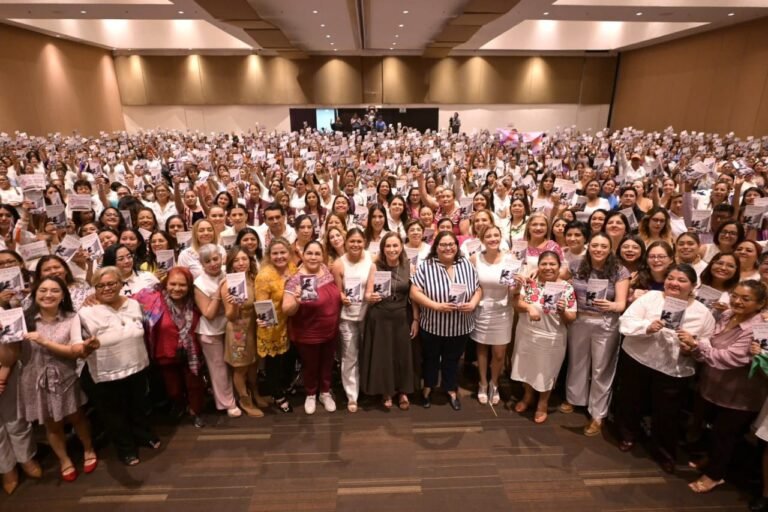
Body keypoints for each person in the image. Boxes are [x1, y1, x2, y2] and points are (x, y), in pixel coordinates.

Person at [616, 264, 716, 473]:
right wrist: (647, 327)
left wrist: (692, 346)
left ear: (693, 286)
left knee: (667, 412)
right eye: (671, 278)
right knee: (630, 400)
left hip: (673, 368)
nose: (674, 283)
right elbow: (625, 321)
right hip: (638, 358)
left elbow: (707, 345)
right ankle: (628, 434)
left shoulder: (702, 312)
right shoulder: (651, 297)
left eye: (681, 280)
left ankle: (663, 451)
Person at [681, 280, 768, 493]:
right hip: (713, 386)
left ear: (760, 304)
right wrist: (699, 346)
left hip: (740, 395)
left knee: (725, 436)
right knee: (712, 430)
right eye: (735, 295)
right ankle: (711, 460)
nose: (737, 301)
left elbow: (730, 358)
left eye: (745, 299)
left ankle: (714, 475)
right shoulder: (728, 314)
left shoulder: (760, 327)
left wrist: (698, 345)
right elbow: (710, 342)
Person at [19, 277, 99, 481]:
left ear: (63, 295)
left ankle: (88, 449)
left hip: (64, 376)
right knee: (51, 424)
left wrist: (44, 341)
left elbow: (74, 351)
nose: (48, 295)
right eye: (43, 290)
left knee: (77, 417)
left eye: (54, 290)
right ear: (35, 294)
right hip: (34, 378)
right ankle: (64, 459)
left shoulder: (71, 317)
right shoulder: (24, 320)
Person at [79, 267, 160, 466]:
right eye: (101, 285)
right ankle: (126, 449)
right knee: (113, 414)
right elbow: (78, 344)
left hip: (137, 365)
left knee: (138, 406)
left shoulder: (133, 304)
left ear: (121, 284)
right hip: (106, 373)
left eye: (112, 283)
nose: (107, 288)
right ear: (94, 288)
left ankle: (142, 434)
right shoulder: (85, 312)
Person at [561, 233, 630, 435]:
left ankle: (598, 415)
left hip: (605, 322)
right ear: (589, 246)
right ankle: (575, 398)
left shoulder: (619, 270)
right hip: (580, 320)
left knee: (601, 369)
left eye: (603, 246)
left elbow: (621, 303)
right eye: (595, 245)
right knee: (577, 361)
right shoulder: (576, 265)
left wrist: (611, 305)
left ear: (610, 249)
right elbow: (557, 278)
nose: (598, 249)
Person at [410, 230, 482, 411]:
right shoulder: (427, 265)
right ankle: (428, 387)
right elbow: (414, 292)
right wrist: (435, 306)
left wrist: (473, 303)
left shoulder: (465, 263)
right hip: (433, 324)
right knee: (431, 358)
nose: (448, 248)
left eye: (452, 244)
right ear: (436, 247)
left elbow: (478, 289)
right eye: (443, 244)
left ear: (457, 247)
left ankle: (451, 388)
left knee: (452, 359)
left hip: (460, 325)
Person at [135, 267, 206, 427]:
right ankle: (180, 404)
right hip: (165, 353)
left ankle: (195, 411)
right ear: (165, 284)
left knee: (195, 386)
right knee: (173, 389)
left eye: (182, 285)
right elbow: (125, 299)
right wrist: (93, 298)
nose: (177, 289)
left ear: (189, 287)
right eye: (172, 284)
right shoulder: (152, 299)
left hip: (192, 354)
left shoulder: (195, 302)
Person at [511, 251, 577, 422]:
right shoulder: (530, 283)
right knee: (525, 367)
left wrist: (562, 311)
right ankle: (527, 396)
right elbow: (516, 304)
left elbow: (571, 319)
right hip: (526, 333)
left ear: (559, 266)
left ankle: (542, 403)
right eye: (544, 264)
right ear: (538, 266)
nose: (548, 267)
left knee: (546, 372)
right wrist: (528, 307)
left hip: (552, 337)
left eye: (552, 264)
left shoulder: (567, 288)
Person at [283, 241, 342, 415]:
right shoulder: (295, 279)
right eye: (310, 253)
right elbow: (287, 309)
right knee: (310, 365)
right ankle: (310, 394)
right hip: (308, 332)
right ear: (303, 255)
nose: (313, 257)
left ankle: (324, 392)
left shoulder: (326, 270)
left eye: (317, 253)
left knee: (327, 363)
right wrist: (296, 300)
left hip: (330, 330)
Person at [360, 232, 416, 410]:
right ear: (383, 249)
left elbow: (414, 296)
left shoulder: (410, 266)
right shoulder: (376, 266)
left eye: (395, 245)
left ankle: (403, 391)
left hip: (401, 316)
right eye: (388, 246)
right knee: (384, 356)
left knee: (402, 355)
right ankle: (386, 391)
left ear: (401, 247)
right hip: (380, 315)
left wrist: (416, 318)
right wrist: (372, 296)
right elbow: (367, 294)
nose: (392, 249)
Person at [194, 244, 241, 418]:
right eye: (208, 261)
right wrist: (219, 292)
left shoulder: (228, 273)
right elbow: (209, 314)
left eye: (215, 259)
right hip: (211, 332)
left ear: (221, 258)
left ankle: (237, 396)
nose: (213, 263)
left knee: (234, 365)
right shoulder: (199, 283)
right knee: (219, 369)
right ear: (202, 264)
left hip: (231, 327)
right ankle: (227, 404)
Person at [470, 225, 514, 406]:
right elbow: (471, 284)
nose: (493, 239)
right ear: (482, 239)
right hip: (482, 309)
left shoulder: (510, 259)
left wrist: (517, 286)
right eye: (488, 236)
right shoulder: (475, 259)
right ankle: (482, 382)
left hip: (503, 310)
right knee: (482, 349)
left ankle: (494, 382)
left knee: (498, 353)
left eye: (496, 235)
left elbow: (512, 288)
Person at [255, 238, 298, 414]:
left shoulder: (293, 269)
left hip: (290, 323)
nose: (279, 256)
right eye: (275, 253)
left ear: (289, 253)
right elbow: (262, 304)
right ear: (269, 255)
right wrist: (263, 319)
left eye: (283, 252)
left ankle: (284, 385)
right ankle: (277, 394)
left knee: (287, 359)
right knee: (273, 363)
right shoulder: (264, 276)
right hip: (272, 325)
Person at [331, 229, 372, 412]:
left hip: (367, 315)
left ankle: (368, 388)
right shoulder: (339, 264)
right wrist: (342, 297)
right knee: (349, 356)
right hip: (347, 316)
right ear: (346, 242)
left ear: (364, 241)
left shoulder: (371, 259)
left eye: (359, 241)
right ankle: (351, 395)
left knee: (368, 353)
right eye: (352, 241)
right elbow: (337, 292)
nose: (355, 245)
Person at [221, 246, 263, 417]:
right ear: (231, 263)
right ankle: (245, 400)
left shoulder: (253, 279)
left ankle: (255, 394)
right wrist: (234, 304)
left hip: (254, 328)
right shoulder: (227, 284)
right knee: (240, 368)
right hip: (238, 331)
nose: (241, 263)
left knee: (253, 364)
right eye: (236, 260)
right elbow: (229, 316)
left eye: (244, 259)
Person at [0, 342, 40, 494]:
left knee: (16, 419)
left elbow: (13, 331)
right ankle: (6, 468)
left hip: (6, 362)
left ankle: (26, 459)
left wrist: (3, 371)